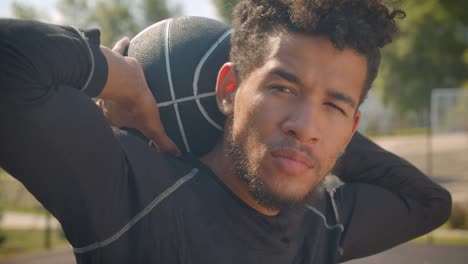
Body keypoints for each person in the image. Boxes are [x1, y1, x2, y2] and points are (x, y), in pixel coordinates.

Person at [0, 0, 451, 263]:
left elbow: (429, 202)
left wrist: (322, 141)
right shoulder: (132, 194)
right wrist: (115, 74)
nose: (306, 126)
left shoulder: (320, 225)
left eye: (335, 105)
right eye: (282, 87)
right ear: (229, 88)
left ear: (353, 126)